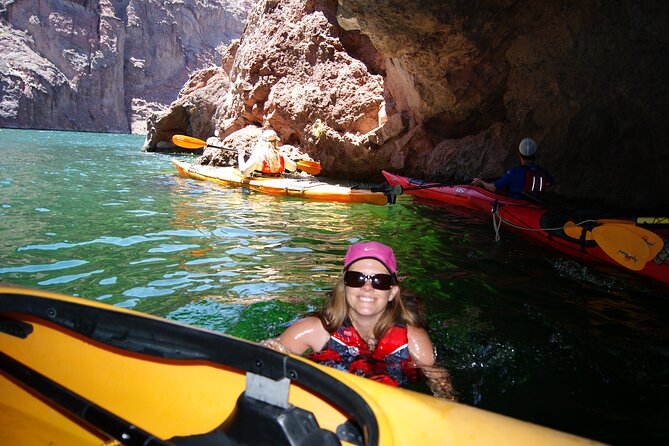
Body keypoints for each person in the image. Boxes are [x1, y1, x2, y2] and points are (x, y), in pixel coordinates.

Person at [259, 241, 455, 400]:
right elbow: (263, 361)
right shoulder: (313, 330)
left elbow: (443, 392)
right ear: (344, 287)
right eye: (356, 278)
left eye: (379, 281)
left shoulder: (413, 341)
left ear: (392, 292)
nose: (367, 287)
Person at [471, 137, 553, 199]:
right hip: (535, 205)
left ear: (519, 154)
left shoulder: (514, 172)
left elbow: (493, 188)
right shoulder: (543, 172)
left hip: (516, 207)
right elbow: (550, 182)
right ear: (535, 155)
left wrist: (481, 182)